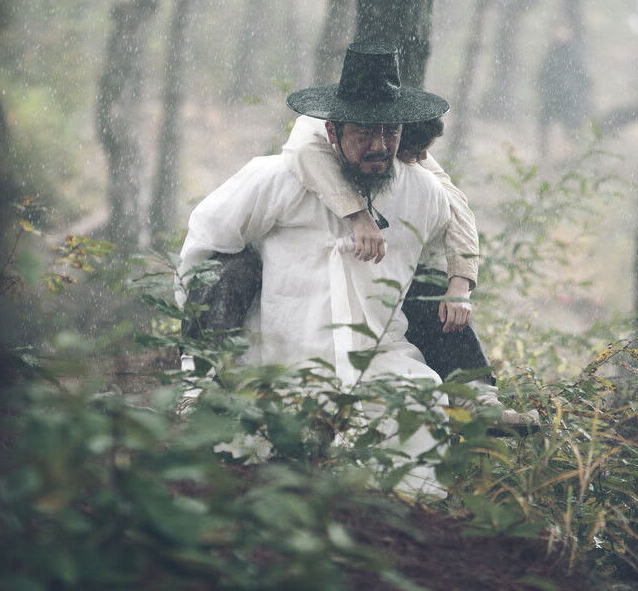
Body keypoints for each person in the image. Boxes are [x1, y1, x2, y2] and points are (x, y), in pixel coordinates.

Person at [178, 42, 454, 497]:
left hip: (379, 355)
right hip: (276, 352)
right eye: (363, 133)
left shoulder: (424, 194)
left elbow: (436, 268)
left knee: (417, 417)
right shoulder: (275, 178)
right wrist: (203, 353)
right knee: (254, 467)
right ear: (331, 130)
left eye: (390, 132)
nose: (379, 146)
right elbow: (207, 247)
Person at [282, 102, 538, 430]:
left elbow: (456, 205)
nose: (420, 159)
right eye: (414, 153)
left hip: (394, 275)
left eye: (422, 152)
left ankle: (476, 399)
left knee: (433, 292)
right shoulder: (317, 134)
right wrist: (358, 215)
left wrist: (460, 285)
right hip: (318, 278)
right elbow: (304, 152)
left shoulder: (408, 156)